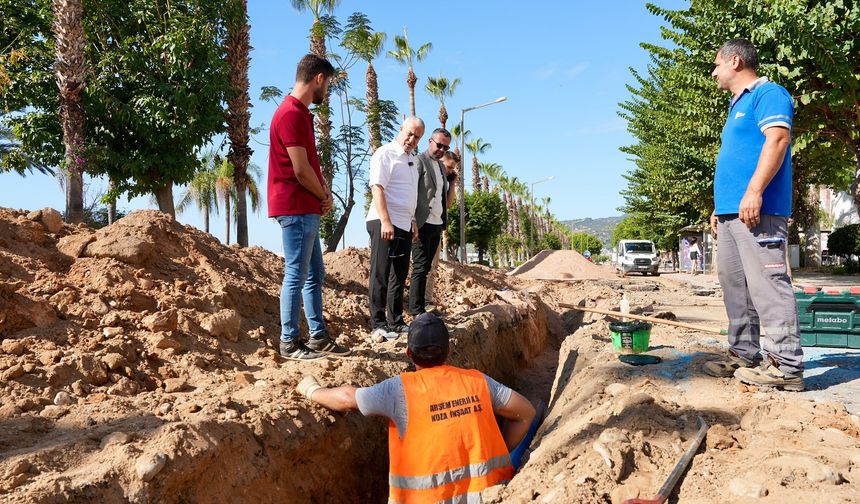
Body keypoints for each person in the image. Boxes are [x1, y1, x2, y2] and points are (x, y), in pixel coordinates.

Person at [295, 313, 536, 503]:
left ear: (409, 353)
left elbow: (347, 398)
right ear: (448, 350)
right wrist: (499, 451)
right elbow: (525, 413)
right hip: (488, 497)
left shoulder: (399, 390)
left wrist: (311, 390)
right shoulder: (477, 382)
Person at [703, 39, 803, 391]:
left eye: (717, 64)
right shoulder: (736, 105)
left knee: (768, 286)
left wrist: (755, 191)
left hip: (759, 211)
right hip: (732, 213)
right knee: (737, 287)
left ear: (735, 61)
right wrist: (720, 206)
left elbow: (777, 140)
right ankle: (744, 353)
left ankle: (786, 366)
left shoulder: (768, 94)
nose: (713, 72)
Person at [267, 54, 350, 361]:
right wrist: (323, 196)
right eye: (327, 85)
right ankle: (289, 341)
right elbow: (301, 170)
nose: (326, 91)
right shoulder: (290, 113)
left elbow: (309, 165)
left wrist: (323, 192)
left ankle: (318, 337)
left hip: (305, 206)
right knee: (296, 274)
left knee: (314, 273)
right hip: (296, 207)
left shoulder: (300, 114)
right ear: (318, 79)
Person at [366, 117, 425, 342]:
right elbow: (377, 187)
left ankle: (396, 321)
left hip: (403, 223)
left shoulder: (411, 161)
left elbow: (408, 194)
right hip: (383, 221)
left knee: (398, 275)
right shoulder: (385, 153)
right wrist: (386, 221)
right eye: (409, 133)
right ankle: (378, 324)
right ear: (401, 129)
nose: (411, 139)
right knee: (380, 273)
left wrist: (412, 220)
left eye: (417, 137)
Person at [409, 128, 458, 316]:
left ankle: (422, 306)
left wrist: (452, 183)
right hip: (422, 222)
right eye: (439, 145)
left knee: (427, 267)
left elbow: (445, 201)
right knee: (420, 267)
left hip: (437, 224)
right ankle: (416, 310)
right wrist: (413, 219)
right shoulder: (419, 161)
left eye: (445, 147)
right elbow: (411, 191)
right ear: (430, 141)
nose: (441, 149)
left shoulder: (439, 168)